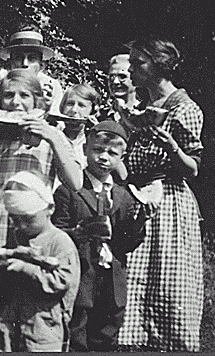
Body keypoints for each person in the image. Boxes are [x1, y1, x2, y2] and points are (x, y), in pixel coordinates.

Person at [0, 69, 82, 352]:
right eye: (8, 96)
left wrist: (52, 136)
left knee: (21, 302)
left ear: (38, 101)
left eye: (24, 96)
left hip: (29, 228)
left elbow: (75, 182)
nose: (15, 102)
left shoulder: (52, 136)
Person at [116, 37, 204, 352]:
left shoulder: (184, 108)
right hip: (138, 194)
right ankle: (133, 340)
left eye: (138, 62)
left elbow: (192, 167)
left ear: (159, 65)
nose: (131, 69)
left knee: (166, 277)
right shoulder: (140, 106)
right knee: (136, 274)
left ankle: (169, 342)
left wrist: (172, 147)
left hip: (167, 199)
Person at [52, 121, 147, 351]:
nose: (104, 157)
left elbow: (127, 244)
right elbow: (57, 233)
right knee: (77, 329)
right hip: (81, 273)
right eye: (97, 150)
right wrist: (79, 233)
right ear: (85, 149)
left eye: (112, 153)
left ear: (121, 158)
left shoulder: (124, 196)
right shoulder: (69, 190)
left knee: (107, 330)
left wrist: (141, 218)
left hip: (112, 278)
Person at [0, 171, 80, 352]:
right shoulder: (18, 236)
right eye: (15, 220)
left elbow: (62, 281)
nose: (21, 226)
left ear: (50, 209)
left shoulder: (60, 242)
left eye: (29, 219)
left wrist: (26, 268)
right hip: (11, 320)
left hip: (44, 325)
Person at [0, 25, 63, 129]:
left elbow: (59, 128)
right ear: (10, 63)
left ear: (42, 65)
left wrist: (46, 111)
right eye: (18, 58)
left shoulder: (51, 86)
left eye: (32, 58)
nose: (25, 63)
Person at [58, 84, 101, 168]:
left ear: (92, 112)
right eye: (70, 104)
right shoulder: (54, 137)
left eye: (81, 105)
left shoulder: (94, 143)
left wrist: (99, 135)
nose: (74, 110)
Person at [101, 54, 141, 133]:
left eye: (122, 76)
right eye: (111, 76)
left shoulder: (143, 111)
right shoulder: (101, 114)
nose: (115, 82)